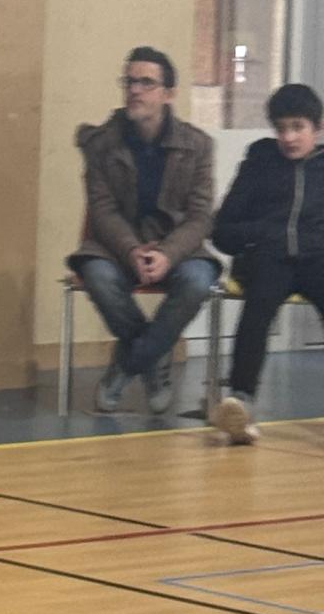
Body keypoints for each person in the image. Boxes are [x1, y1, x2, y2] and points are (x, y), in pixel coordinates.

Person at [69, 47, 219, 414]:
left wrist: (167, 253)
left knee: (199, 280)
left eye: (146, 83)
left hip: (176, 245)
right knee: (98, 275)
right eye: (129, 81)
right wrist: (131, 250)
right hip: (117, 246)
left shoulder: (197, 145)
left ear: (169, 94)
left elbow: (200, 217)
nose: (134, 90)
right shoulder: (102, 143)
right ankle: (155, 357)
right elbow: (102, 210)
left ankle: (129, 362)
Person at [210, 83, 324, 445]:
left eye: (298, 127)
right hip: (269, 258)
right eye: (281, 128)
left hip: (317, 259)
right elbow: (223, 228)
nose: (288, 138)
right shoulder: (258, 162)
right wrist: (262, 234)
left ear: (318, 128)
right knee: (256, 312)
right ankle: (240, 404)